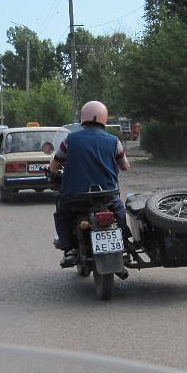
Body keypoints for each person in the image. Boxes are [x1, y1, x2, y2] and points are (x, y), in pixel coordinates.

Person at [49, 100, 131, 267]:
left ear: (83, 118)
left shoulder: (69, 140)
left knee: (61, 214)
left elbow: (55, 165)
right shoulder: (114, 141)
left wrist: (52, 169)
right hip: (107, 196)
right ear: (104, 118)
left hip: (75, 197)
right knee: (120, 212)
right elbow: (125, 166)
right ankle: (123, 243)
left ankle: (69, 248)